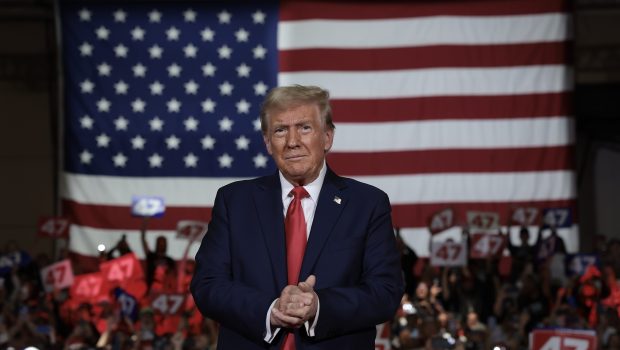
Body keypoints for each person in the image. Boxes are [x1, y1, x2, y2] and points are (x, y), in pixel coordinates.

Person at [190, 85, 404, 349]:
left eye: (304, 127)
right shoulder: (234, 201)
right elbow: (207, 285)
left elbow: (386, 292)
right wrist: (269, 310)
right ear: (268, 142)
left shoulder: (368, 204)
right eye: (280, 130)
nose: (292, 142)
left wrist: (319, 306)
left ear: (327, 137)